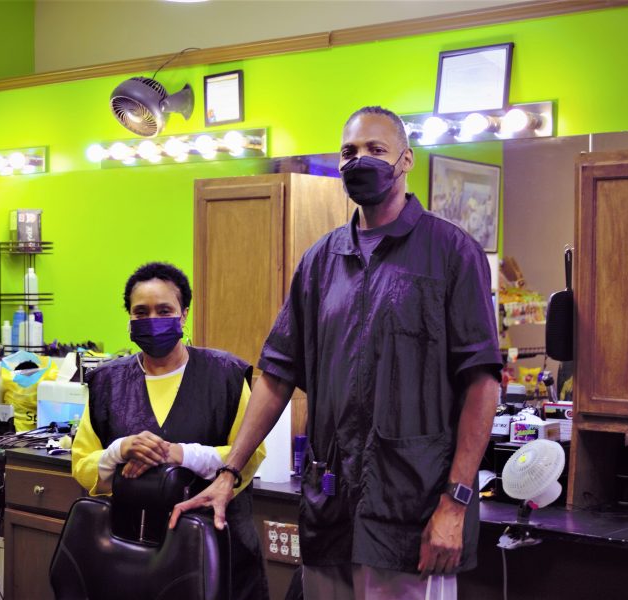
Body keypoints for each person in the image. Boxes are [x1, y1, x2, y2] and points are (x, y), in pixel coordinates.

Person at [171, 106, 502, 599]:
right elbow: (277, 374)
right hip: (331, 513)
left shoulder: (451, 253)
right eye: (349, 152)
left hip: (414, 514)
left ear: (406, 160)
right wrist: (229, 472)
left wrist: (455, 503)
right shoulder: (321, 261)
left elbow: (483, 383)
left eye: (376, 150)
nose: (360, 160)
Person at [71, 261, 269, 600]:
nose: (152, 320)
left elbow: (250, 454)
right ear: (130, 318)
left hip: (217, 552)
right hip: (132, 553)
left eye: (164, 310)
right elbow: (83, 465)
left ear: (184, 313)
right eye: (141, 312)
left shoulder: (225, 376)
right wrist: (119, 450)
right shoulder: (107, 383)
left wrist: (182, 454)